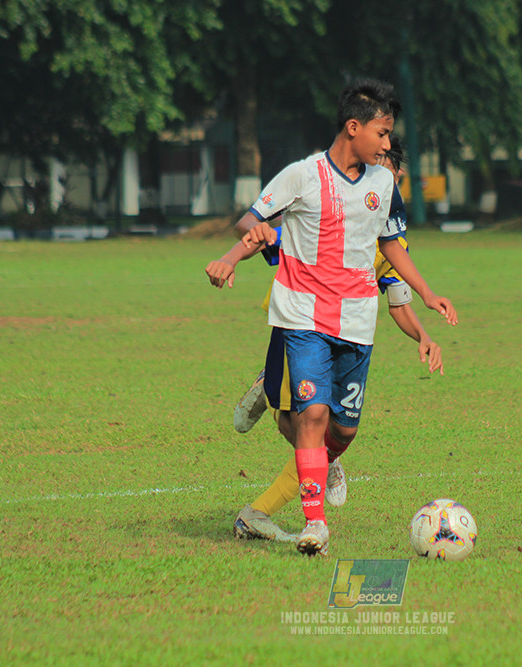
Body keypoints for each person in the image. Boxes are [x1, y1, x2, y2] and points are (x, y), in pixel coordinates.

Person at [209, 79, 457, 556]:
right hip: (301, 318)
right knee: (311, 417)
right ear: (353, 128)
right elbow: (251, 220)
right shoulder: (302, 176)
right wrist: (232, 256)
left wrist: (427, 294)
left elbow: (389, 244)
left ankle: (289, 417)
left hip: (357, 323)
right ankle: (315, 523)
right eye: (383, 135)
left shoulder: (382, 184)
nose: (388, 146)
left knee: (341, 431)